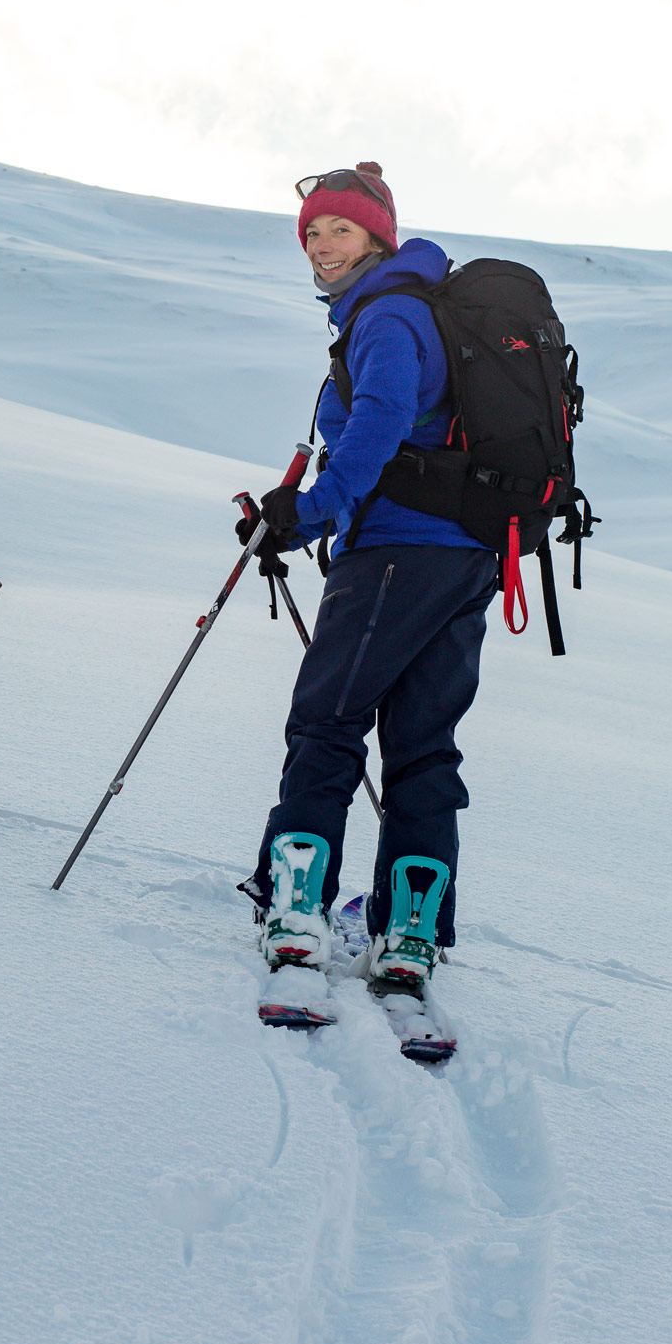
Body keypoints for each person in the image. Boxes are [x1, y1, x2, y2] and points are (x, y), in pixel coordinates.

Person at [240, 162, 499, 992]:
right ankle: (409, 933)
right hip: (465, 561)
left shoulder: (388, 316)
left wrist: (311, 511)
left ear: (377, 237)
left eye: (339, 229)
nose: (321, 246)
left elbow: (383, 419)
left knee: (327, 725)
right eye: (311, 232)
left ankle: (296, 912)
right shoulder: (418, 309)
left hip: (391, 554)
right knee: (424, 749)